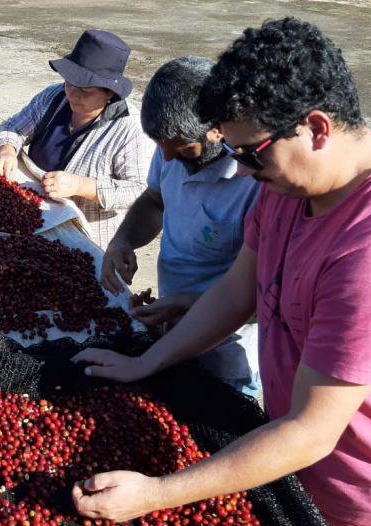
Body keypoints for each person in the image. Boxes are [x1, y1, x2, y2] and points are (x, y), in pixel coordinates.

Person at [71, 18, 371, 526]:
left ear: (316, 128)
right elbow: (237, 293)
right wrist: (147, 362)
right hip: (282, 459)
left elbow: (311, 431)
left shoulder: (369, 250)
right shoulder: (286, 190)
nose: (239, 173)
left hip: (354, 501)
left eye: (250, 153)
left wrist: (157, 494)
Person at [100, 56, 261, 396]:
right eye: (163, 149)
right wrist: (123, 239)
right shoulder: (171, 148)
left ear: (219, 130)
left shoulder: (257, 184)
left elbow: (267, 295)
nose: (168, 159)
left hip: (225, 356)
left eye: (184, 149)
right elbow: (155, 200)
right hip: (169, 330)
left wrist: (190, 303)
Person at [0, 30, 154, 248]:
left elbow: (141, 190)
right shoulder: (53, 97)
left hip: (84, 236)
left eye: (86, 90)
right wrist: (7, 150)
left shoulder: (129, 128)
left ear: (109, 93)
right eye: (69, 83)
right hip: (30, 215)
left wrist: (82, 185)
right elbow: (12, 127)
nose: (73, 95)